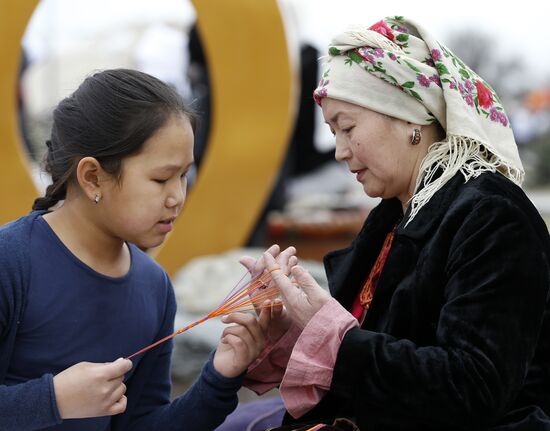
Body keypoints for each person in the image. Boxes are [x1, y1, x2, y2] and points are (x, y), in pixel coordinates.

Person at [240, 17, 550, 430]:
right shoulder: (393, 215)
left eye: (347, 127)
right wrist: (294, 328)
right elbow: (368, 351)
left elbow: (475, 388)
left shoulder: (492, 216)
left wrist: (334, 337)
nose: (339, 151)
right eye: (334, 132)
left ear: (408, 117)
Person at [0, 68, 287, 431]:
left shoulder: (153, 286)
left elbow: (144, 423)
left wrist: (220, 375)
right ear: (92, 177)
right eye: (160, 178)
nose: (177, 197)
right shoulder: (11, 262)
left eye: (184, 176)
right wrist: (53, 400)